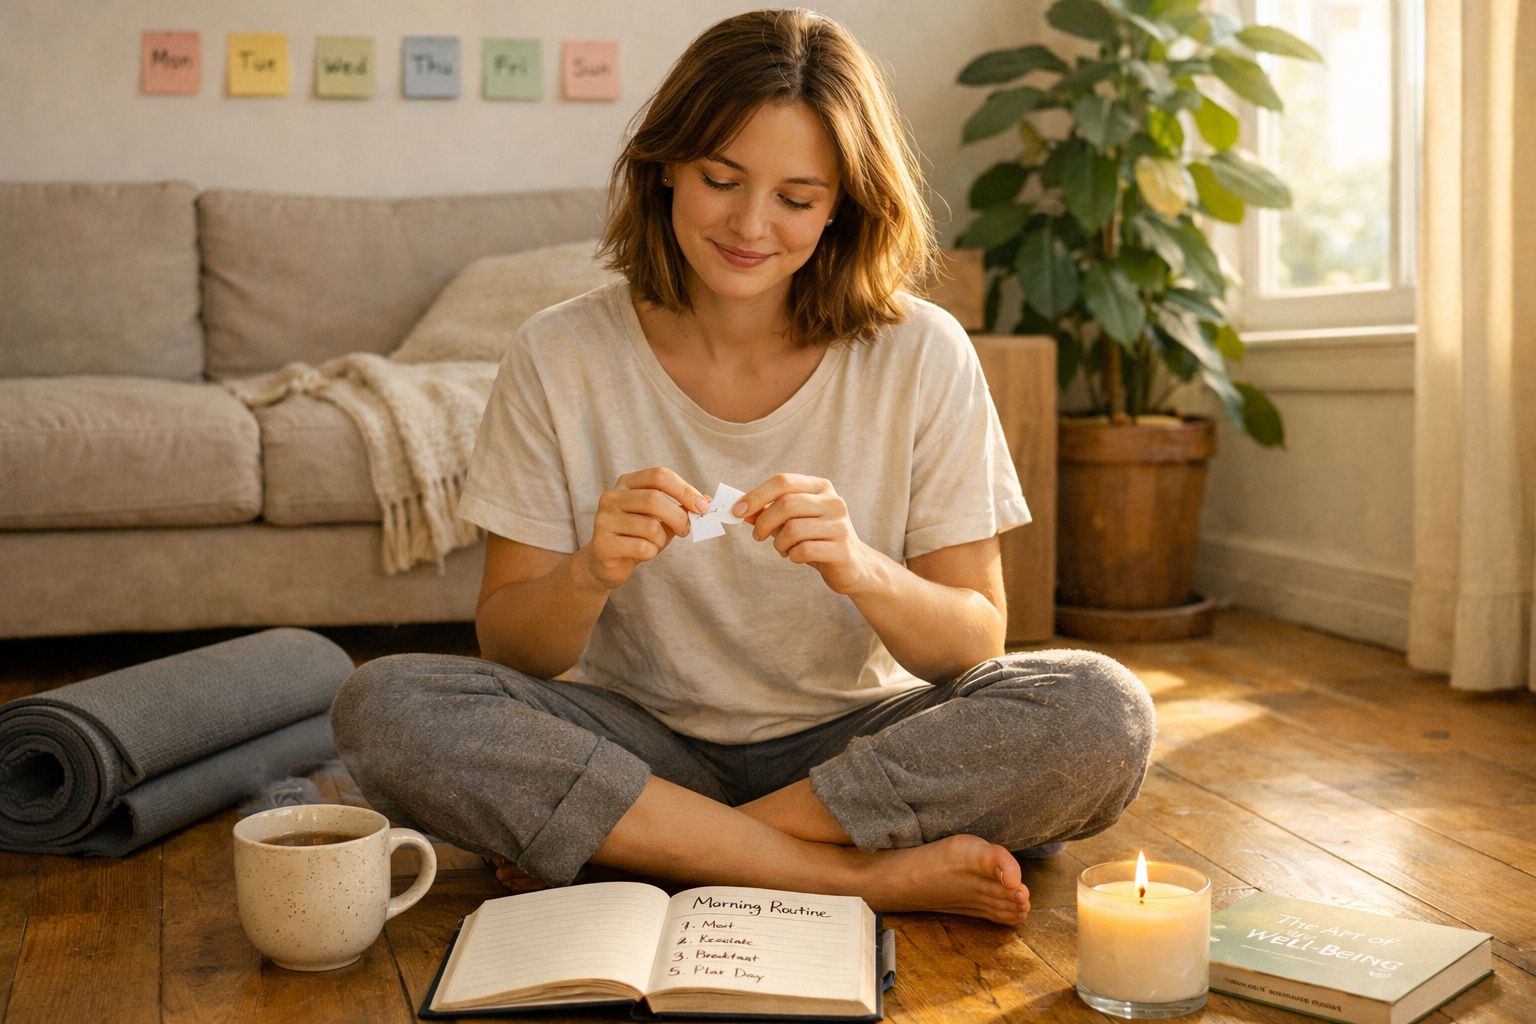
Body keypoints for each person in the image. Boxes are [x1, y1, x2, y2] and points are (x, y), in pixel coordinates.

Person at [331, 8, 1154, 926]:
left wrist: (861, 569)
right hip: (640, 745)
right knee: (385, 704)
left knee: (1101, 710)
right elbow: (515, 650)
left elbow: (972, 645)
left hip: (851, 752)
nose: (751, 225)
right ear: (666, 165)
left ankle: (669, 848)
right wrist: (589, 573)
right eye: (721, 180)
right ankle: (850, 877)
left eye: (797, 198)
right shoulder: (556, 353)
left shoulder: (923, 352)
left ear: (845, 201)